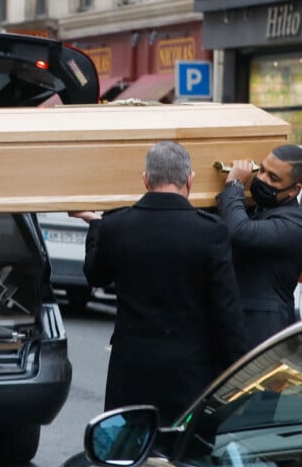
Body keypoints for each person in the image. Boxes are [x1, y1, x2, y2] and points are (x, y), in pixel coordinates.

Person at [71, 141, 246, 425]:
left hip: (132, 364)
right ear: (190, 180)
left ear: (145, 180)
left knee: (129, 447)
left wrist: (96, 225)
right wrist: (238, 373)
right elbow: (226, 310)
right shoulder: (209, 231)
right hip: (189, 367)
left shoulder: (116, 225)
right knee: (179, 449)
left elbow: (96, 275)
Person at [216, 144, 302, 350]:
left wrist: (235, 184)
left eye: (273, 178)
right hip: (236, 324)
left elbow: (240, 232)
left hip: (265, 332)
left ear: (294, 190)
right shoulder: (259, 209)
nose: (261, 179)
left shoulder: (295, 224)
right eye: (261, 170)